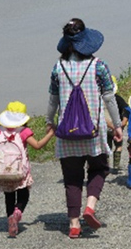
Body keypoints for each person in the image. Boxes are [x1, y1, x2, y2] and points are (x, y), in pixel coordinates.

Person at [45, 18, 123, 238]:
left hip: (66, 131)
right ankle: (90, 207)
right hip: (93, 131)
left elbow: (52, 100)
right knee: (99, 168)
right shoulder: (98, 66)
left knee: (72, 177)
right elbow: (109, 98)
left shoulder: (57, 67)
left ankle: (73, 224)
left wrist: (49, 121)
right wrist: (117, 125)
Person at [0, 101, 54, 237]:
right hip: (19, 171)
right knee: (24, 194)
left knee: (9, 196)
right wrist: (50, 134)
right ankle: (17, 213)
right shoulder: (24, 132)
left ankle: (10, 218)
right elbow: (37, 145)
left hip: (2, 171)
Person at [105, 75, 128, 173]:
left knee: (107, 147)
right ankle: (116, 165)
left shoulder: (102, 99)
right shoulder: (118, 98)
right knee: (118, 145)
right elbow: (127, 110)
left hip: (106, 127)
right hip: (118, 126)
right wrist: (123, 123)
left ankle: (105, 166)